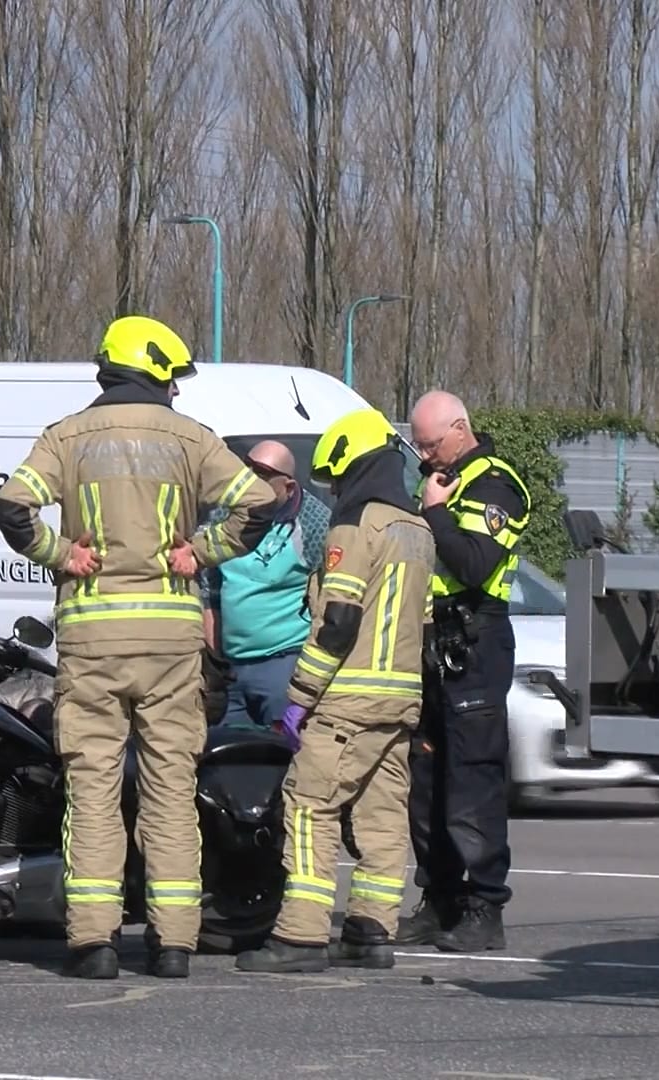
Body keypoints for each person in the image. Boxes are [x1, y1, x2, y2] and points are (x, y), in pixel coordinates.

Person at [0, 315, 277, 981]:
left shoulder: (67, 437)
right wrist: (199, 552)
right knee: (170, 788)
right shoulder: (191, 438)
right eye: (172, 380)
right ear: (154, 373)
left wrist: (63, 555)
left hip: (93, 636)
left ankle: (93, 943)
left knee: (91, 788)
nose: (177, 392)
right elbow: (257, 504)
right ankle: (173, 944)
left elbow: (12, 508)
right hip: (171, 639)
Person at [233, 409, 435, 974]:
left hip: (347, 698)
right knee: (381, 817)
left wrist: (300, 696)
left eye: (337, 478)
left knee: (309, 807)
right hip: (399, 701)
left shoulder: (354, 527)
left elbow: (338, 621)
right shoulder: (417, 529)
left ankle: (298, 937)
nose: (337, 489)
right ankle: (372, 931)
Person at [398, 389, 530, 953]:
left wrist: (431, 512)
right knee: (427, 781)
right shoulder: (440, 481)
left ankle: (484, 907)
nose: (424, 456)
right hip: (431, 643)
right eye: (419, 446)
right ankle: (440, 898)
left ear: (460, 429)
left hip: (475, 641)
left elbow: (476, 564)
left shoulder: (496, 485)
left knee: (473, 777)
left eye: (430, 444)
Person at [200, 439, 328, 731]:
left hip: (282, 667)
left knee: (277, 760)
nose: (249, 481)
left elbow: (329, 601)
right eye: (245, 469)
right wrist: (215, 659)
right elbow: (209, 587)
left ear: (289, 487)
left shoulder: (315, 524)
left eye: (261, 474)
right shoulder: (224, 514)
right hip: (228, 671)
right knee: (227, 762)